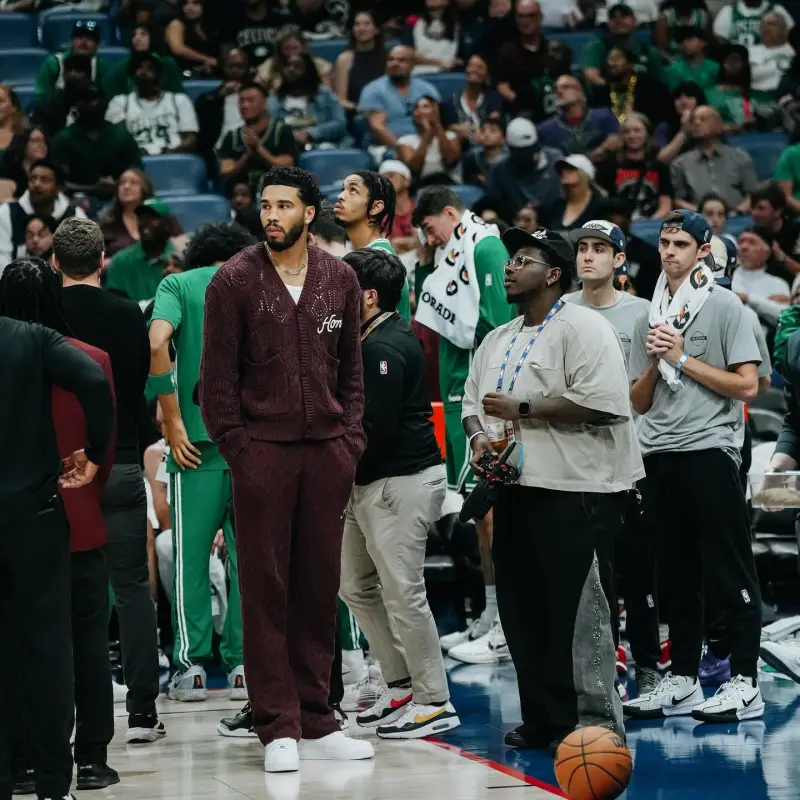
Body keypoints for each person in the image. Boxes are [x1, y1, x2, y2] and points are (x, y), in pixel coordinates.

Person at [198, 166, 374, 771]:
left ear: (310, 211)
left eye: (283, 206)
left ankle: (319, 719)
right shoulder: (234, 280)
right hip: (262, 454)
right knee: (265, 587)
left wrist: (349, 440)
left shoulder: (340, 279)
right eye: (264, 205)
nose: (271, 215)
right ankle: (277, 725)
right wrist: (240, 450)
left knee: (320, 587)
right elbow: (216, 383)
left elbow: (351, 370)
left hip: (328, 451)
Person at [462, 225, 641, 751]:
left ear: (554, 274)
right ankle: (542, 716)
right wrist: (477, 440)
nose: (509, 267)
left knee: (580, 612)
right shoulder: (498, 337)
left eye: (522, 260)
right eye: (511, 259)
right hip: (516, 487)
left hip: (578, 491)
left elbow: (607, 404)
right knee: (523, 609)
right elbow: (472, 404)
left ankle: (594, 723)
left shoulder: (583, 328)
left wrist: (524, 409)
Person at [623, 210, 764, 724]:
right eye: (663, 242)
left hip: (709, 448)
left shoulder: (726, 306)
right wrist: (655, 365)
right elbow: (638, 402)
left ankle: (746, 683)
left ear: (704, 250)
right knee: (674, 574)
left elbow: (748, 386)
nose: (668, 251)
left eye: (681, 243)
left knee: (728, 568)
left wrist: (681, 359)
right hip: (657, 450)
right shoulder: (648, 314)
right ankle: (681, 677)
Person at [1, 257, 119, 794]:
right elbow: (94, 379)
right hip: (36, 516)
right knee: (50, 650)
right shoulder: (39, 342)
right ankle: (56, 780)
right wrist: (95, 453)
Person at [336, 246, 460, 737]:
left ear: (366, 297)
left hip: (399, 482)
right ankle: (401, 683)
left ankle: (435, 700)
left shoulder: (383, 347)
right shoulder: (366, 339)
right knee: (354, 587)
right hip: (366, 482)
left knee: (404, 594)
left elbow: (373, 428)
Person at [55, 217, 165, 745]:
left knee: (65, 593)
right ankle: (143, 712)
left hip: (63, 471)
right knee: (131, 588)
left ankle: (72, 713)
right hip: (120, 461)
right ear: (103, 260)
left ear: (55, 262)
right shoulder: (127, 312)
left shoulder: (42, 315)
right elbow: (141, 380)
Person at [149, 222, 256, 703]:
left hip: (194, 443)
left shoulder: (177, 284)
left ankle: (190, 667)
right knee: (248, 561)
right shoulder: (256, 283)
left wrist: (170, 417)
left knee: (190, 558)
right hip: (254, 443)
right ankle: (243, 668)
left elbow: (156, 343)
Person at [412, 185, 513, 663]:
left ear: (450, 214)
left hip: (484, 396)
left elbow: (496, 322)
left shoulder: (487, 247)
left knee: (495, 516)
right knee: (481, 518)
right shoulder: (450, 256)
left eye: (431, 229)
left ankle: (509, 624)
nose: (430, 240)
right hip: (458, 396)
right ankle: (492, 615)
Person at [565, 219, 659, 692]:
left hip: (628, 459)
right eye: (582, 248)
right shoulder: (562, 310)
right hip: (576, 463)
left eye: (600, 249)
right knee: (590, 573)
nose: (587, 256)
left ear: (620, 260)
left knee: (636, 571)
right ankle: (605, 663)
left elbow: (640, 401)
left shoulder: (641, 313)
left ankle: (648, 665)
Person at [333, 170, 412, 321]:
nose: (341, 196)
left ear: (375, 207)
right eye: (343, 189)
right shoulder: (361, 254)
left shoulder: (380, 260)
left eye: (353, 190)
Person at [51, 82, 143, 202]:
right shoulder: (63, 139)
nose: (88, 105)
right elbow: (59, 184)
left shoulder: (122, 137)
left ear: (104, 103)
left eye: (92, 99)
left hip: (119, 201)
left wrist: (117, 186)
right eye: (83, 100)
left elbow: (139, 177)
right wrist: (96, 189)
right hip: (75, 202)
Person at [106, 51, 199, 155]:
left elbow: (191, 139)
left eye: (150, 68)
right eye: (139, 68)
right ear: (133, 76)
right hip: (135, 163)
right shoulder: (120, 103)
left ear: (161, 75)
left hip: (173, 160)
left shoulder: (179, 100)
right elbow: (117, 141)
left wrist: (170, 153)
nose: (144, 72)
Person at [0, 159, 87, 270]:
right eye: (33, 179)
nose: (36, 184)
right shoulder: (6, 212)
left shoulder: (75, 216)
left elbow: (83, 260)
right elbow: (1, 260)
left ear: (58, 188)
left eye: (44, 180)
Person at [357, 46, 442, 159]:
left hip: (425, 142)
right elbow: (378, 127)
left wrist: (424, 145)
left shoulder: (427, 88)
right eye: (391, 59)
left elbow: (435, 121)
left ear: (412, 65)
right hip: (389, 147)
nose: (394, 63)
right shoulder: (373, 89)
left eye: (401, 60)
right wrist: (402, 149)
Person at [670, 106, 758, 214]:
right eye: (693, 121)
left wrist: (737, 212)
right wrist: (704, 214)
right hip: (699, 220)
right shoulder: (680, 163)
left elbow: (753, 195)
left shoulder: (739, 157)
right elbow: (678, 201)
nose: (697, 123)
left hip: (737, 218)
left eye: (703, 119)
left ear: (718, 126)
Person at [217, 81, 299, 193]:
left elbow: (287, 167)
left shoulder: (281, 131)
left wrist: (259, 149)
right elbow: (226, 171)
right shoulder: (232, 136)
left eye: (251, 101)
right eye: (241, 101)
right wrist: (246, 155)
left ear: (264, 103)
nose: (245, 105)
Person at [486, 117, 562, 225]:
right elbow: (493, 204)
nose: (525, 157)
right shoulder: (499, 169)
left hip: (552, 224)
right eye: (519, 152)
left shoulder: (555, 161)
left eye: (529, 150)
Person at [596, 113, 673, 221]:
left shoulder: (659, 166)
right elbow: (602, 201)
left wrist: (646, 225)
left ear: (647, 133)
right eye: (627, 132)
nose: (632, 135)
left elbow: (665, 206)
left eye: (637, 130)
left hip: (651, 227)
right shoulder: (610, 165)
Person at [266, 53, 348, 149]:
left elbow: (340, 124)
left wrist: (311, 133)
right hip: (287, 149)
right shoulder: (274, 100)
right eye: (288, 65)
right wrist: (292, 136)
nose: (291, 69)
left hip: (323, 145)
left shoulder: (325, 95)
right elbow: (270, 131)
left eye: (297, 66)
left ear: (308, 71)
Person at [104, 198, 176, 304]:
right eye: (142, 218)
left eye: (153, 219)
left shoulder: (179, 261)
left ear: (167, 225)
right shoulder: (120, 261)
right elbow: (112, 305)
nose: (146, 223)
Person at [99, 168, 184, 258]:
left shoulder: (162, 217)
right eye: (122, 183)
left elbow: (181, 244)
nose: (126, 186)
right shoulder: (107, 224)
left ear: (145, 188)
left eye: (134, 183)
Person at [538, 74, 620, 163]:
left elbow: (616, 141)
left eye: (566, 87)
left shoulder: (604, 116)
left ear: (580, 92)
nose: (559, 91)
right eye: (556, 88)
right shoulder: (546, 129)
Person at [580, 2, 664, 87]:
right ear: (608, 24)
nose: (618, 20)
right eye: (613, 17)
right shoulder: (596, 47)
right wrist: (616, 90)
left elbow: (659, 82)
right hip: (609, 96)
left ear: (635, 21)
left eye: (624, 16)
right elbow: (591, 76)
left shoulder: (649, 51)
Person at [103, 23, 184, 100]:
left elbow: (177, 95)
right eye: (134, 35)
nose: (137, 38)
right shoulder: (123, 66)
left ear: (153, 38)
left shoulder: (167, 64)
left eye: (143, 34)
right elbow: (111, 92)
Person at [194, 49, 252, 155]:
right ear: (224, 68)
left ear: (247, 69)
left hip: (250, 147)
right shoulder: (209, 98)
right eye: (231, 66)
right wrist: (220, 95)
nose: (235, 70)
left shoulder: (257, 97)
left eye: (239, 66)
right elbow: (202, 127)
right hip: (219, 150)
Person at [35, 20, 110, 101]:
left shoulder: (100, 64)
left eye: (89, 38)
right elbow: (42, 96)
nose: (83, 42)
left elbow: (107, 96)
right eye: (79, 37)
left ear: (97, 45)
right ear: (71, 41)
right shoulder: (53, 62)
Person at [397, 96, 462, 188]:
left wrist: (437, 124)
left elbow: (450, 161)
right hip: (420, 185)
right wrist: (427, 134)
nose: (420, 111)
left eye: (425, 107)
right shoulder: (405, 141)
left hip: (449, 183)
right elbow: (415, 168)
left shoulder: (451, 136)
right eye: (416, 108)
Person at [731, 227, 791, 327]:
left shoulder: (778, 283)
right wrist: (766, 303)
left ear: (767, 252)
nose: (744, 246)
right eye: (741, 241)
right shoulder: (728, 276)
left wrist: (748, 298)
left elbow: (784, 317)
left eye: (752, 242)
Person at [494, 0, 546, 108]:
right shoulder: (507, 51)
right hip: (520, 110)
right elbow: (501, 84)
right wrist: (518, 102)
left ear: (540, 17)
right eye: (521, 16)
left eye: (531, 16)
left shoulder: (556, 50)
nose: (525, 21)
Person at [332, 11, 386, 113]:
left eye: (367, 24)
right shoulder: (344, 59)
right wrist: (360, 109)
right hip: (357, 112)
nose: (361, 28)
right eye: (357, 24)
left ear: (376, 29)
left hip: (386, 112)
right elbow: (341, 100)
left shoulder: (388, 57)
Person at [29, 54, 92, 139]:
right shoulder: (46, 109)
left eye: (78, 71)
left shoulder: (99, 107)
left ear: (88, 76)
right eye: (69, 70)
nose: (73, 74)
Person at [446, 55, 503, 146]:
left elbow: (494, 126)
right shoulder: (451, 101)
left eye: (479, 67)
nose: (473, 70)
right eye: (470, 66)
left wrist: (473, 131)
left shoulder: (494, 99)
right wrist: (454, 128)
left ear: (486, 75)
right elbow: (445, 126)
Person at [256, 25, 333, 93]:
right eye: (286, 49)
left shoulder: (319, 65)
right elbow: (257, 92)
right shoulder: (269, 66)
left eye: (295, 48)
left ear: (303, 47)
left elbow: (327, 95)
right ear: (280, 49)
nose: (291, 53)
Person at [750, 180, 800, 281]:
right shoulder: (751, 235)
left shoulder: (797, 231)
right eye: (753, 207)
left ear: (778, 211)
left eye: (761, 208)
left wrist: (782, 257)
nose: (754, 213)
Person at [544, 154, 607, 232]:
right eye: (561, 170)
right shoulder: (557, 206)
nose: (564, 172)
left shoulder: (600, 206)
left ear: (584, 173)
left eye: (570, 168)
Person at [165, 0, 221, 77]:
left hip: (206, 75)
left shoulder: (210, 27)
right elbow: (178, 49)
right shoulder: (177, 24)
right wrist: (207, 59)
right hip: (181, 75)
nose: (189, 8)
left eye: (195, 3)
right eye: (185, 3)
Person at [406, 0, 461, 74]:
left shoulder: (456, 26)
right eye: (432, 9)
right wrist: (438, 63)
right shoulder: (417, 25)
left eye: (438, 8)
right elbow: (409, 55)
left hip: (447, 73)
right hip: (421, 72)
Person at [712, 0, 793, 47]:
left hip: (771, 62)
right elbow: (721, 42)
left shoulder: (777, 10)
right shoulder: (728, 11)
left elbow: (791, 35)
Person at [749, 13, 795, 97]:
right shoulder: (749, 51)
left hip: (790, 96)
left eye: (771, 24)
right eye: (763, 25)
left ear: (784, 29)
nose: (766, 27)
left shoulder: (795, 50)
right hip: (756, 96)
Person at [0, 125, 49, 202]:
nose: (42, 145)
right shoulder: (7, 170)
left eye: (44, 142)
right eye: (36, 141)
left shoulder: (48, 170)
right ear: (23, 144)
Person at [378, 160, 417, 256]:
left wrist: (398, 242)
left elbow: (425, 242)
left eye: (391, 176)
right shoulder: (379, 213)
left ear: (406, 181)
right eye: (383, 179)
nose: (387, 181)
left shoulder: (419, 208)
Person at [664, 27, 718, 92]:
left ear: (703, 42)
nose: (685, 44)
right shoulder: (674, 69)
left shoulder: (715, 67)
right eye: (683, 41)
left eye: (690, 39)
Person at [462, 116, 507, 188]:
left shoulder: (509, 161)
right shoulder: (471, 158)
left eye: (493, 131)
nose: (487, 134)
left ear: (503, 138)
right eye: (483, 131)